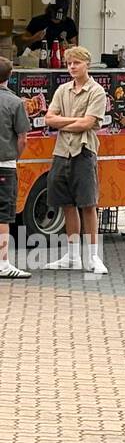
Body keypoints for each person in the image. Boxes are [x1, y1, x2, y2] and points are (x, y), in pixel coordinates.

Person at [43, 47, 109, 274]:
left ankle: (92, 256)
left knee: (88, 204)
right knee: (66, 204)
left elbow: (88, 123)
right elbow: (49, 119)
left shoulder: (97, 91)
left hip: (84, 151)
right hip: (61, 152)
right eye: (69, 63)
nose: (72, 67)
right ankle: (72, 256)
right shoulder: (62, 89)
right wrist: (74, 121)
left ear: (86, 64)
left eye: (76, 63)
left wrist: (63, 123)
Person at [0, 56, 32, 279]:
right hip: (5, 165)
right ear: (10, 77)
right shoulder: (15, 103)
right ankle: (3, 264)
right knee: (3, 215)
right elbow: (23, 138)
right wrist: (15, 158)